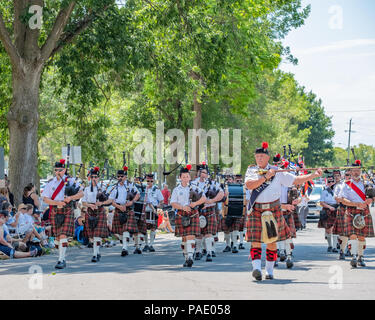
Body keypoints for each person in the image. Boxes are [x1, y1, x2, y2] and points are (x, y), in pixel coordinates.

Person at [245, 141, 322, 281]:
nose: (259, 158)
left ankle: (269, 271)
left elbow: (296, 180)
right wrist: (265, 177)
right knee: (255, 241)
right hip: (256, 209)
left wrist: (313, 175)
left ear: (268, 157)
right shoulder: (251, 170)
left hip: (273, 208)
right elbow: (250, 186)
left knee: (272, 242)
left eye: (262, 156)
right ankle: (256, 269)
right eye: (257, 156)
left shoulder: (277, 171)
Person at [41, 159, 84, 269]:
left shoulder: (71, 181)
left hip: (67, 210)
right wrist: (57, 202)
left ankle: (61, 259)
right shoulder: (51, 183)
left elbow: (81, 193)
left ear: (64, 169)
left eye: (60, 170)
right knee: (58, 237)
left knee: (63, 234)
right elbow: (45, 199)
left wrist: (71, 198)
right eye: (56, 170)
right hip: (55, 210)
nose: (58, 172)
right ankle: (57, 243)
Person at [338, 160, 375, 268]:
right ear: (350, 171)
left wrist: (370, 200)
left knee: (362, 237)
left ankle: (361, 257)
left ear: (360, 171)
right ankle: (354, 256)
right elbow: (343, 200)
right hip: (351, 211)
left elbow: (373, 197)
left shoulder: (367, 184)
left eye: (358, 170)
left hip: (364, 211)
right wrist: (356, 203)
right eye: (354, 170)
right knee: (353, 235)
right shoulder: (346, 184)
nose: (356, 172)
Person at [171, 165, 206, 267]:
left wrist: (195, 204)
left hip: (193, 213)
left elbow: (203, 198)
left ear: (189, 177)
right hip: (181, 215)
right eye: (184, 177)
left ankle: (190, 257)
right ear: (180, 178)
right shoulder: (176, 190)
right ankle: (186, 257)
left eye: (187, 176)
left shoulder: (195, 188)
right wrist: (182, 207)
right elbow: (173, 203)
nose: (186, 178)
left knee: (191, 236)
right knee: (184, 238)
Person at [191, 163, 223, 262]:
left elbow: (222, 193)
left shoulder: (212, 183)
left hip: (209, 209)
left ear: (207, 174)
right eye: (201, 172)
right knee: (198, 233)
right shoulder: (193, 183)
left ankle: (209, 252)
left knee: (208, 233)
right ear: (198, 172)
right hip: (198, 209)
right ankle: (198, 252)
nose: (202, 174)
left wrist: (211, 201)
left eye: (204, 172)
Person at [109, 166, 141, 256]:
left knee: (126, 230)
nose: (120, 178)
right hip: (118, 209)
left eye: (121, 176)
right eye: (118, 176)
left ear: (125, 177)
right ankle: (124, 242)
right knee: (118, 232)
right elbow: (111, 200)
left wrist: (132, 202)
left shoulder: (130, 184)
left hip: (128, 209)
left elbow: (138, 194)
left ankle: (124, 248)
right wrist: (118, 206)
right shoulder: (114, 187)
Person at [82, 167, 110, 262]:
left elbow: (109, 200)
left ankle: (94, 254)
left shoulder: (102, 188)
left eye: (96, 177)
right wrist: (90, 205)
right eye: (92, 176)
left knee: (97, 235)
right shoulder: (86, 189)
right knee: (92, 236)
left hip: (100, 211)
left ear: (98, 178)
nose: (94, 178)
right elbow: (83, 202)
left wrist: (101, 203)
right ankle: (97, 252)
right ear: (90, 178)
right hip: (90, 212)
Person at [143, 174, 164, 252]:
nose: (149, 182)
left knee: (153, 228)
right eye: (148, 181)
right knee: (144, 228)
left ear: (153, 181)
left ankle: (151, 245)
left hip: (153, 210)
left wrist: (157, 206)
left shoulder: (156, 190)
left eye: (151, 181)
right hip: (145, 210)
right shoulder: (143, 189)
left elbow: (162, 200)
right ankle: (146, 244)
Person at [333, 169, 351, 259]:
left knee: (353, 231)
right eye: (347, 175)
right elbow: (336, 198)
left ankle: (351, 249)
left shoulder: (357, 185)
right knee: (343, 232)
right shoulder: (339, 186)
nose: (349, 176)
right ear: (344, 176)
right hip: (343, 208)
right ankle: (342, 250)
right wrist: (348, 201)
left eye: (350, 175)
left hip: (354, 209)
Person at [319, 176, 339, 253]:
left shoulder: (337, 191)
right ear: (327, 183)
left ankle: (334, 247)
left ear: (334, 182)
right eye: (329, 182)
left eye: (332, 181)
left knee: (334, 229)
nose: (331, 183)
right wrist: (329, 207)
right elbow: (321, 202)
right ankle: (330, 245)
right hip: (327, 209)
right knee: (328, 230)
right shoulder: (324, 192)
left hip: (336, 209)